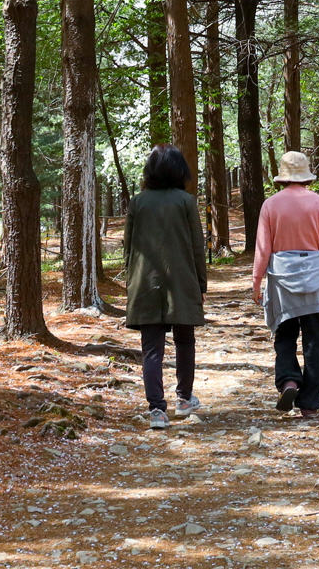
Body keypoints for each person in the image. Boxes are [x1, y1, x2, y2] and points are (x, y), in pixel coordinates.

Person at [252, 150, 319, 419]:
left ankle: (289, 380)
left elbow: (262, 249)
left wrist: (256, 282)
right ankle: (310, 405)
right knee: (315, 341)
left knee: (285, 335)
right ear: (306, 177)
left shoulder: (270, 205)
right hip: (316, 277)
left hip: (282, 280)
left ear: (282, 177)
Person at [124, 144, 206, 429]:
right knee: (185, 341)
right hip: (183, 280)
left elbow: (128, 248)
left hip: (144, 283)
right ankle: (184, 399)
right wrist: (201, 284)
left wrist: (131, 279)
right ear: (179, 170)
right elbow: (197, 247)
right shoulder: (187, 201)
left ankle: (157, 411)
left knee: (152, 348)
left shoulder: (137, 202)